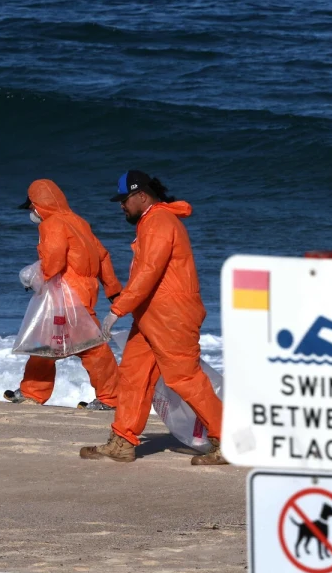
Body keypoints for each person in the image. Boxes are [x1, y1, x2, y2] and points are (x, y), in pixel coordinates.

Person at [79, 171, 226, 465]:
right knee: (133, 375)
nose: (121, 205)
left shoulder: (159, 222)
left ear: (141, 196)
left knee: (185, 378)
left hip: (172, 317)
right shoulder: (152, 221)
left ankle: (226, 439)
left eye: (124, 199)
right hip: (151, 317)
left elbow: (149, 272)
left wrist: (116, 310)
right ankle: (123, 441)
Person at [3, 180, 122, 410]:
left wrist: (34, 277)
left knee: (74, 346)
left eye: (31, 207)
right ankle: (34, 392)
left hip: (66, 296)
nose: (30, 212)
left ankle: (109, 399)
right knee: (61, 344)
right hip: (84, 293)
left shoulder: (52, 224)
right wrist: (113, 289)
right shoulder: (79, 222)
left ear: (39, 205)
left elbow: (54, 262)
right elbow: (103, 256)